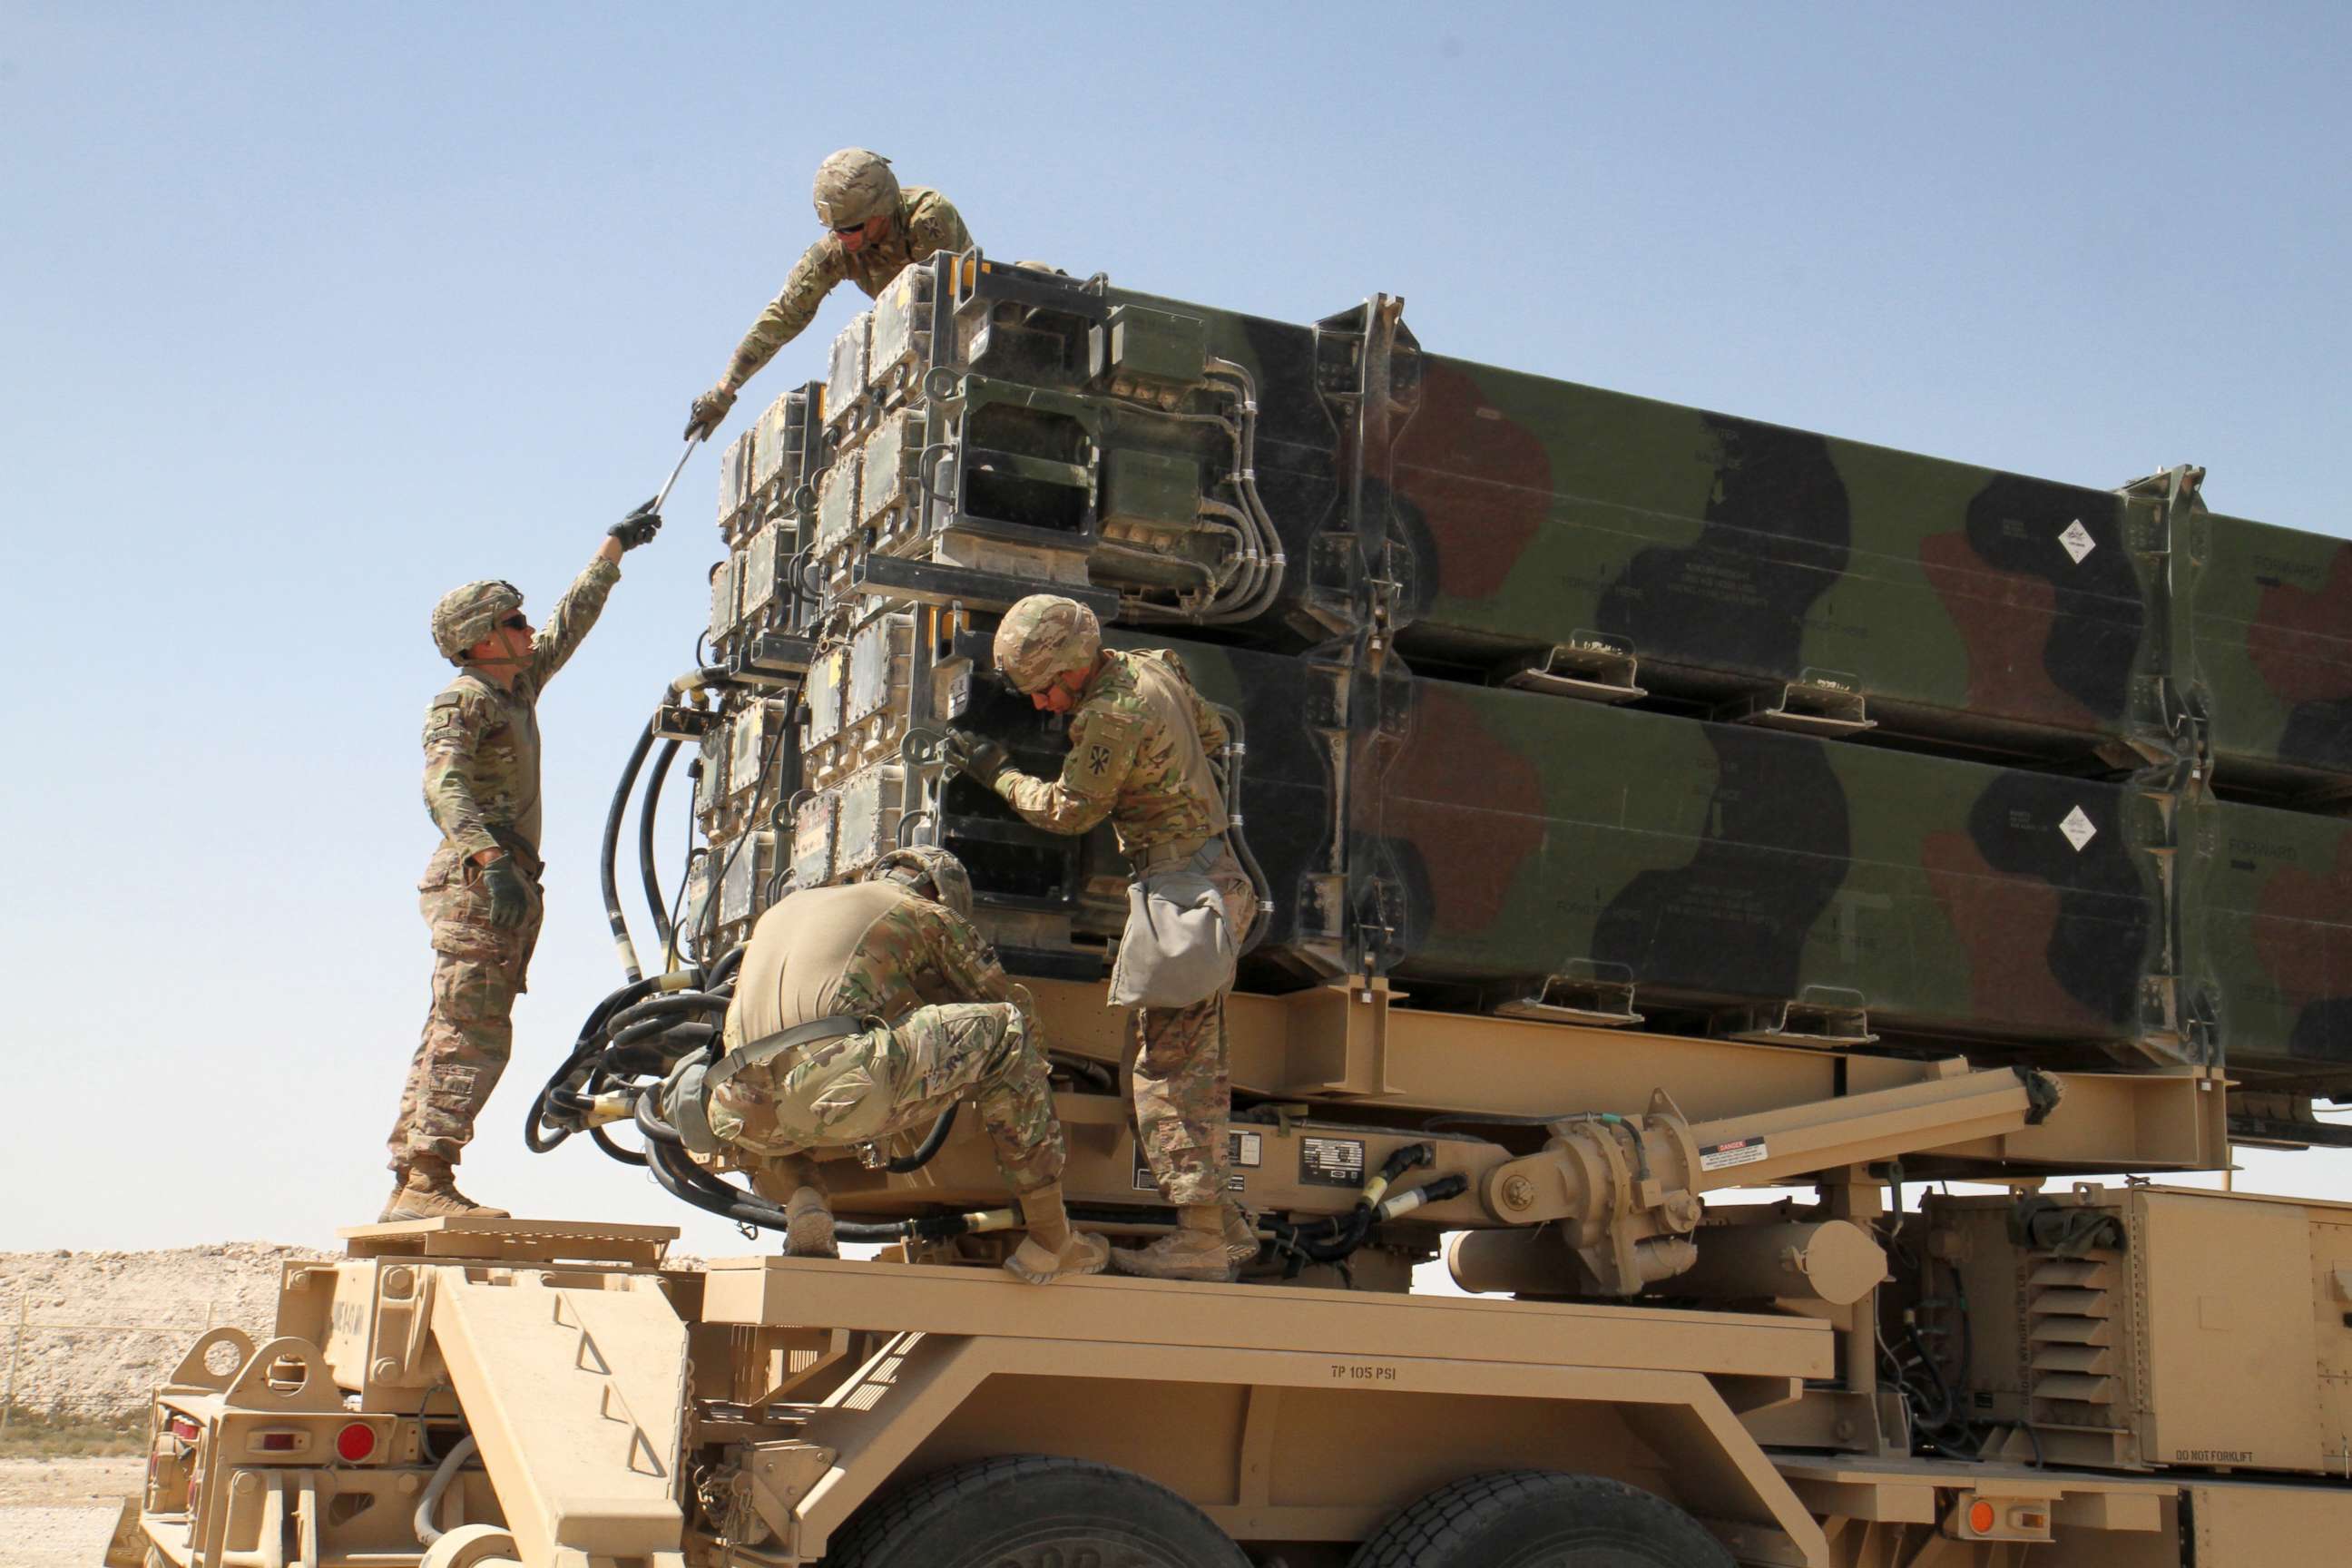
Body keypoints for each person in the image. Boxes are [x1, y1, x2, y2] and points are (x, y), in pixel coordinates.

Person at [943, 596, 1258, 1281]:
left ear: (1077, 663)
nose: (1047, 707)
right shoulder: (1155, 669)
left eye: (1048, 688)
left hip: (1183, 892)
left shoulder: (1110, 714)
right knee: (1159, 1057)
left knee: (1172, 1072)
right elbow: (1206, 733)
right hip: (1200, 879)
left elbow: (1068, 811)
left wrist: (997, 771)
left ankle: (1203, 1240)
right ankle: (1226, 1227)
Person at [380, 499, 663, 1222]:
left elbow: (568, 625)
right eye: (512, 622)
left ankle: (414, 1175)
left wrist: (613, 551)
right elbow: (442, 784)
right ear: (480, 640)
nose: (526, 629)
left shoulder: (516, 688)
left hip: (501, 874)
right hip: (481, 880)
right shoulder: (463, 701)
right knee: (472, 1032)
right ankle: (425, 1180)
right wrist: (489, 861)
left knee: (456, 1026)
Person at [662, 847, 1107, 1284]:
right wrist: (1030, 1082)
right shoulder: (923, 912)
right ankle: (1052, 1239)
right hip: (829, 1093)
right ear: (940, 892)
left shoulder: (784, 910)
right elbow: (1001, 1000)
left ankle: (805, 1200)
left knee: (791, 1070)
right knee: (1008, 1029)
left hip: (738, 1110)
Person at [684, 150, 974, 441]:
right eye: (836, 229)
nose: (843, 238)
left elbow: (941, 304)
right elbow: (783, 315)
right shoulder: (837, 250)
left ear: (881, 209)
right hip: (912, 351)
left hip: (963, 337)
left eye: (851, 228)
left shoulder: (925, 219)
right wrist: (724, 391)